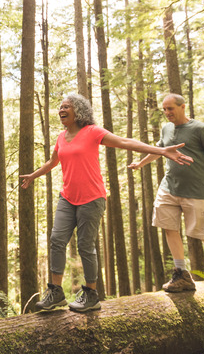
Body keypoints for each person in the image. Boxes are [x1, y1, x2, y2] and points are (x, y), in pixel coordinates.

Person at [19, 93, 193, 312]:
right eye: (60, 107)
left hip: (92, 198)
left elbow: (124, 142)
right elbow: (53, 161)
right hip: (68, 197)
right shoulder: (61, 137)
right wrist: (33, 175)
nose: (61, 110)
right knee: (56, 240)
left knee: (84, 245)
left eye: (66, 107)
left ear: (79, 110)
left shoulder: (92, 132)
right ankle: (55, 291)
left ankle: (91, 294)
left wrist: (160, 151)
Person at [129, 93, 204, 292]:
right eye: (164, 109)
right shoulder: (166, 128)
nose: (167, 113)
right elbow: (160, 150)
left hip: (196, 191)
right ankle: (182, 273)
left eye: (171, 108)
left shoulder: (200, 129)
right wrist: (141, 163)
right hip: (169, 187)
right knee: (169, 227)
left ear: (182, 107)